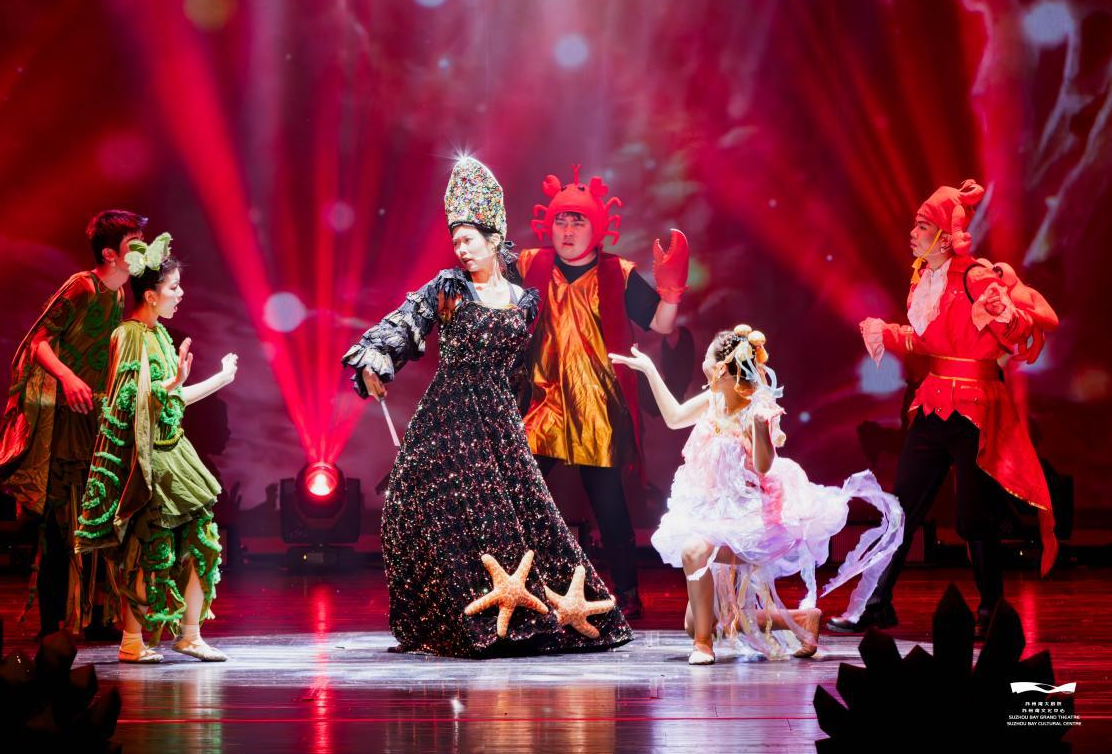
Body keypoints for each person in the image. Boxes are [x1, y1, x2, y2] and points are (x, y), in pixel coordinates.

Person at [342, 157, 632, 658]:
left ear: (493, 238)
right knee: (409, 506)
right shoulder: (448, 288)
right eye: (455, 241)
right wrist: (376, 361)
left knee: (510, 514)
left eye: (468, 239)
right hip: (447, 415)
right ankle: (435, 616)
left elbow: (531, 364)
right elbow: (406, 322)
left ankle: (536, 616)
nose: (460, 248)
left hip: (497, 417)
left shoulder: (524, 300)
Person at [827, 180, 1059, 638]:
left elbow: (1013, 338)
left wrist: (1003, 313)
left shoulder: (975, 278)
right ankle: (875, 604)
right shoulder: (924, 280)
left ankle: (991, 612)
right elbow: (930, 342)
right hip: (934, 405)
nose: (912, 233)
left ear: (944, 236)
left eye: (922, 226)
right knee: (901, 509)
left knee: (974, 517)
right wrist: (888, 333)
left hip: (975, 410)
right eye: (915, 225)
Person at [610, 326, 902, 664]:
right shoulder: (714, 400)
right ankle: (800, 620)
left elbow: (764, 466)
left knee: (693, 552)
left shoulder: (755, 409)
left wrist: (761, 429)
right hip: (711, 511)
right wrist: (648, 368)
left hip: (745, 516)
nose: (702, 363)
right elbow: (675, 418)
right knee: (696, 621)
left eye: (707, 358)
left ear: (722, 369)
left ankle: (703, 646)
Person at [516, 166, 690, 619]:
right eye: (561, 221)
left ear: (596, 228)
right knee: (518, 495)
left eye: (578, 222)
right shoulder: (530, 265)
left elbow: (662, 326)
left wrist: (671, 291)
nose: (567, 231)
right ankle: (515, 587)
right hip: (543, 402)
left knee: (609, 504)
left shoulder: (618, 273)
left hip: (597, 404)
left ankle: (628, 593)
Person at [73, 234, 239, 663]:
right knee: (149, 547)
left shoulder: (159, 334)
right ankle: (132, 641)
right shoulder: (129, 335)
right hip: (148, 458)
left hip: (175, 450)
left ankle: (189, 634)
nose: (180, 294)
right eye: (173, 287)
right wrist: (170, 384)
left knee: (202, 538)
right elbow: (127, 400)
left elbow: (172, 398)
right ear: (150, 294)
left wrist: (219, 379)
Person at [0, 209, 147, 638]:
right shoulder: (82, 286)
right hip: (65, 422)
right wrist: (67, 377)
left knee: (95, 516)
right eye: (134, 244)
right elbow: (38, 341)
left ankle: (93, 616)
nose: (143, 250)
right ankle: (51, 624)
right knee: (60, 523)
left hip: (93, 416)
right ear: (110, 254)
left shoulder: (118, 295)